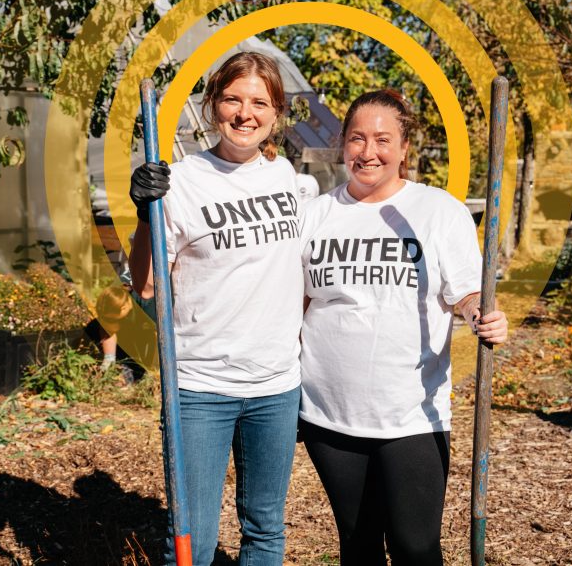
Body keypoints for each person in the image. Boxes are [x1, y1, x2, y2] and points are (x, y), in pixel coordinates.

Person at [298, 89, 509, 565]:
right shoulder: (316, 215)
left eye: (382, 139)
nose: (367, 151)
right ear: (342, 144)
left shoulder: (438, 212)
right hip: (329, 411)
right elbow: (298, 301)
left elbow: (466, 293)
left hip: (411, 413)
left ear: (404, 147)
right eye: (356, 138)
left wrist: (483, 314)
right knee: (358, 544)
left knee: (416, 548)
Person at [128, 52, 303, 566]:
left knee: (266, 529)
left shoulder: (286, 175)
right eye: (232, 99)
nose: (244, 114)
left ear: (275, 114)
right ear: (212, 106)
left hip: (276, 385)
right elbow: (144, 285)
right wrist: (144, 217)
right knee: (192, 541)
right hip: (201, 387)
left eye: (259, 103)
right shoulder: (180, 180)